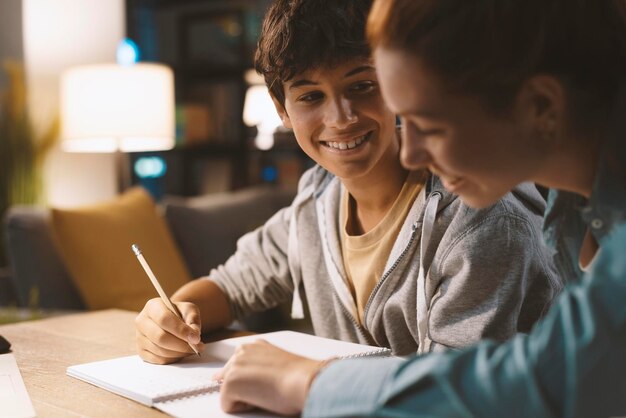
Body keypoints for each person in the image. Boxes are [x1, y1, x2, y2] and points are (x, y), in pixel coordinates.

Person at [216, 0, 626, 416]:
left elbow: (536, 383)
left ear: (540, 108)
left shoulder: (493, 220)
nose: (410, 154)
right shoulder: (576, 213)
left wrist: (306, 381)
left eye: (429, 124)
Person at [136, 0, 557, 377]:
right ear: (282, 109)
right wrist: (172, 315)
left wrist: (304, 380)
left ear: (397, 82)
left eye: (361, 86)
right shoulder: (318, 196)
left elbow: (450, 392)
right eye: (310, 97)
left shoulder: (479, 218)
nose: (340, 118)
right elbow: (230, 286)